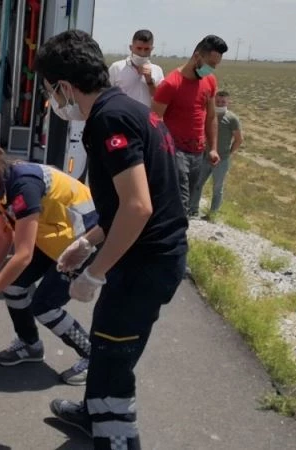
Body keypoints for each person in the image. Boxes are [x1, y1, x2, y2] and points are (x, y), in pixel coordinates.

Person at [33, 30, 188, 450]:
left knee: (115, 358)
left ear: (63, 85)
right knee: (106, 341)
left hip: (145, 264)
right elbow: (132, 200)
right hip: (150, 257)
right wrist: (88, 240)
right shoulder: (123, 109)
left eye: (50, 89)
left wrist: (95, 273)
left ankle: (115, 432)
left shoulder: (108, 119)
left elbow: (138, 208)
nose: (53, 99)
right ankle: (91, 411)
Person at [0, 132, 99, 386]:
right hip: (52, 236)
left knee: (46, 306)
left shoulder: (23, 184)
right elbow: (3, 238)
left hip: (82, 241)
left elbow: (23, 255)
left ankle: (93, 358)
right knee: (15, 287)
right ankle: (30, 345)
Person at [152, 34, 228, 217]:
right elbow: (155, 120)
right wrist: (165, 151)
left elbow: (211, 117)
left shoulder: (210, 81)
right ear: (197, 56)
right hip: (175, 151)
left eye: (216, 65)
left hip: (198, 152)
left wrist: (213, 149)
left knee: (189, 196)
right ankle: (176, 240)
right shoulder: (170, 84)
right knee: (181, 200)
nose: (212, 68)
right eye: (210, 63)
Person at [189, 90, 244, 217]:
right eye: (218, 101)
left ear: (228, 102)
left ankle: (212, 214)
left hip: (222, 159)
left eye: (223, 101)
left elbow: (239, 139)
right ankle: (192, 209)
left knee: (217, 188)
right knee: (197, 184)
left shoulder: (232, 118)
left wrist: (229, 153)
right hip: (204, 157)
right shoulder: (208, 115)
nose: (220, 103)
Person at [107, 29, 164, 107]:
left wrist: (150, 81)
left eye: (146, 49)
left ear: (152, 49)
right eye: (139, 48)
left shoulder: (157, 70)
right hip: (122, 116)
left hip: (145, 117)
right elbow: (105, 94)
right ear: (131, 47)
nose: (142, 53)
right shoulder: (116, 67)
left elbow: (160, 98)